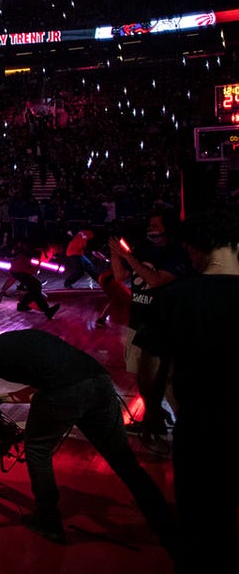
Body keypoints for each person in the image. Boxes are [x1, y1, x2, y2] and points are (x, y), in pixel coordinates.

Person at [0, 325, 177, 553]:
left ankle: (48, 520)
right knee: (123, 460)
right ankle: (164, 523)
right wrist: (1, 399)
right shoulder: (17, 339)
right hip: (98, 383)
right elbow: (37, 390)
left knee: (37, 448)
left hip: (66, 392)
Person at [134, 209, 239, 573]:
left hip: (201, 427)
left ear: (194, 250)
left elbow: (148, 366)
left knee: (203, 523)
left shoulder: (177, 297)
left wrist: (151, 409)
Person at [109, 209, 189, 435]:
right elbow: (119, 276)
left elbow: (154, 280)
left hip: (165, 324)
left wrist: (128, 257)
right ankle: (154, 418)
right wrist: (116, 252)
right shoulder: (143, 248)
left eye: (156, 227)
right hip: (139, 322)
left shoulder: (177, 253)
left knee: (171, 381)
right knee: (143, 378)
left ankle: (179, 422)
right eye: (149, 226)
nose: (150, 230)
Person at [9, 240, 60, 319]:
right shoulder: (38, 254)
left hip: (18, 270)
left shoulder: (39, 252)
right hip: (19, 271)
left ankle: (23, 305)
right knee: (35, 287)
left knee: (35, 287)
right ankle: (47, 310)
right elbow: (30, 268)